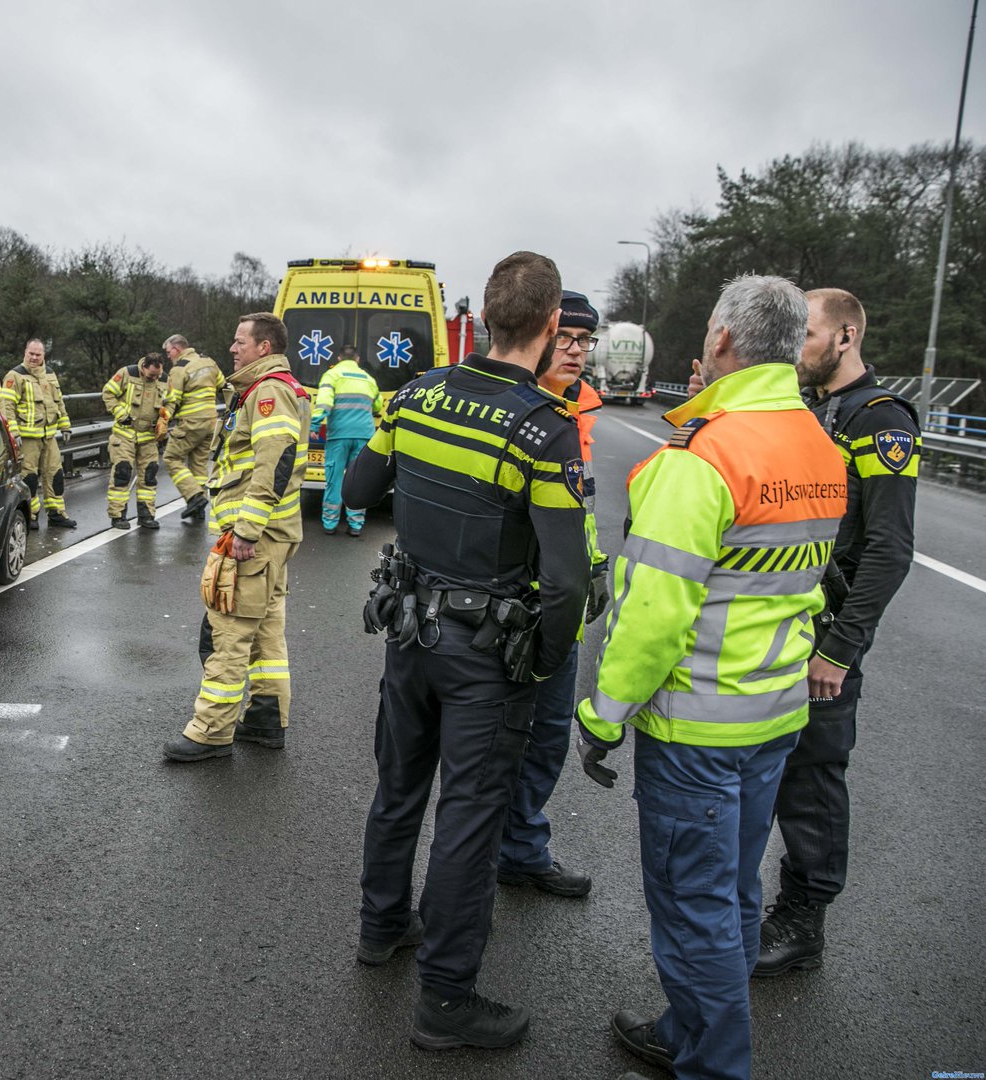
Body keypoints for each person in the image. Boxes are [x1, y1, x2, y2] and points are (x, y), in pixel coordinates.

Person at [574, 275, 847, 1080]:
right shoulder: (817, 444)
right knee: (729, 893)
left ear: (723, 341)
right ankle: (688, 1032)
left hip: (696, 727)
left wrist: (602, 713)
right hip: (774, 715)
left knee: (693, 908)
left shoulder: (704, 457)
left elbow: (653, 612)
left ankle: (712, 1064)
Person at [345, 251, 590, 1051]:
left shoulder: (414, 396)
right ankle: (446, 1002)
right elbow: (565, 582)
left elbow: (354, 491)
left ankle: (381, 928)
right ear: (552, 327)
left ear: (485, 317)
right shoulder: (545, 430)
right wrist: (547, 663)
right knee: (470, 821)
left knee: (399, 786)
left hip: (409, 636)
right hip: (486, 655)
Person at [753, 288, 922, 976]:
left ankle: (803, 922)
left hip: (825, 638)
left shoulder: (880, 421)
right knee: (768, 769)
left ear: (846, 336)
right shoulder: (812, 411)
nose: (796, 348)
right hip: (781, 627)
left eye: (809, 335)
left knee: (814, 779)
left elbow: (889, 549)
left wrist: (841, 651)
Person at [496, 290, 608, 899]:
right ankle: (483, 849)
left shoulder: (579, 410)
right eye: (565, 338)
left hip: (557, 598)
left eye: (585, 342)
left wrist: (591, 567)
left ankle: (520, 847)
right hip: (510, 603)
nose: (575, 352)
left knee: (547, 734)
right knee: (499, 737)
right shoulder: (514, 404)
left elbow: (576, 507)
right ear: (540, 336)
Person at [163, 312, 309, 761]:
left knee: (229, 629)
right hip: (273, 535)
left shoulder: (268, 393)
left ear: (264, 347)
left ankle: (211, 731)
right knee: (266, 630)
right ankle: (266, 717)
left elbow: (274, 463)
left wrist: (246, 528)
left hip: (255, 536)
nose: (232, 347)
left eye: (240, 340)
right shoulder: (268, 389)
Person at [0, 338, 77, 530]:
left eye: (37, 354)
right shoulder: (14, 376)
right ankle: (31, 516)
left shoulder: (50, 374)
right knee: (29, 478)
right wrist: (14, 433)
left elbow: (59, 403)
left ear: (43, 356)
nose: (33, 357)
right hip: (27, 438)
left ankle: (56, 514)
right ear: (25, 352)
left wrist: (65, 426)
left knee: (55, 476)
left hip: (49, 437)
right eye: (30, 353)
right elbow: (7, 407)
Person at [311, 344, 381, 536]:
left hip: (339, 435)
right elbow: (377, 406)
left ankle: (330, 524)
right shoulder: (369, 379)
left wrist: (315, 425)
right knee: (358, 481)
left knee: (334, 479)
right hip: (364, 435)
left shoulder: (332, 375)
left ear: (339, 359)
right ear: (357, 360)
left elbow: (324, 402)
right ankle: (356, 525)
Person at [101, 351, 167, 530]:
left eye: (158, 374)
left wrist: (165, 417)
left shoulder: (164, 379)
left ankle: (146, 516)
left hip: (148, 437)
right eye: (152, 374)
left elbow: (171, 402)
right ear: (144, 367)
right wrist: (121, 414)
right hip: (125, 434)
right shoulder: (127, 374)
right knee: (122, 473)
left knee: (149, 476)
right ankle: (118, 516)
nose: (155, 378)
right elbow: (108, 393)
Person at [161, 334, 223, 522]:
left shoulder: (179, 369)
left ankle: (194, 496)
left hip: (191, 423)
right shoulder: (209, 362)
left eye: (168, 351)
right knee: (198, 465)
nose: (167, 356)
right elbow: (222, 384)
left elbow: (172, 400)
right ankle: (198, 509)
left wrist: (163, 421)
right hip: (211, 422)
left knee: (171, 458)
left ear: (177, 349)